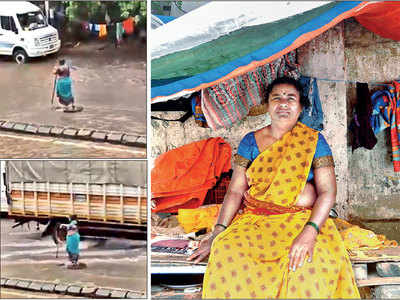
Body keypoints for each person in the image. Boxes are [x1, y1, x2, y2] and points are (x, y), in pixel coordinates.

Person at [188, 76, 360, 298]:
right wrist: (217, 232)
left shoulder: (314, 141)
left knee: (308, 266)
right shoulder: (250, 141)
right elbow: (235, 191)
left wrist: (310, 231)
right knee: (226, 250)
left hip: (302, 222)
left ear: (300, 107)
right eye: (276, 98)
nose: (283, 103)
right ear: (267, 106)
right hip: (257, 222)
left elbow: (327, 192)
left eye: (291, 98)